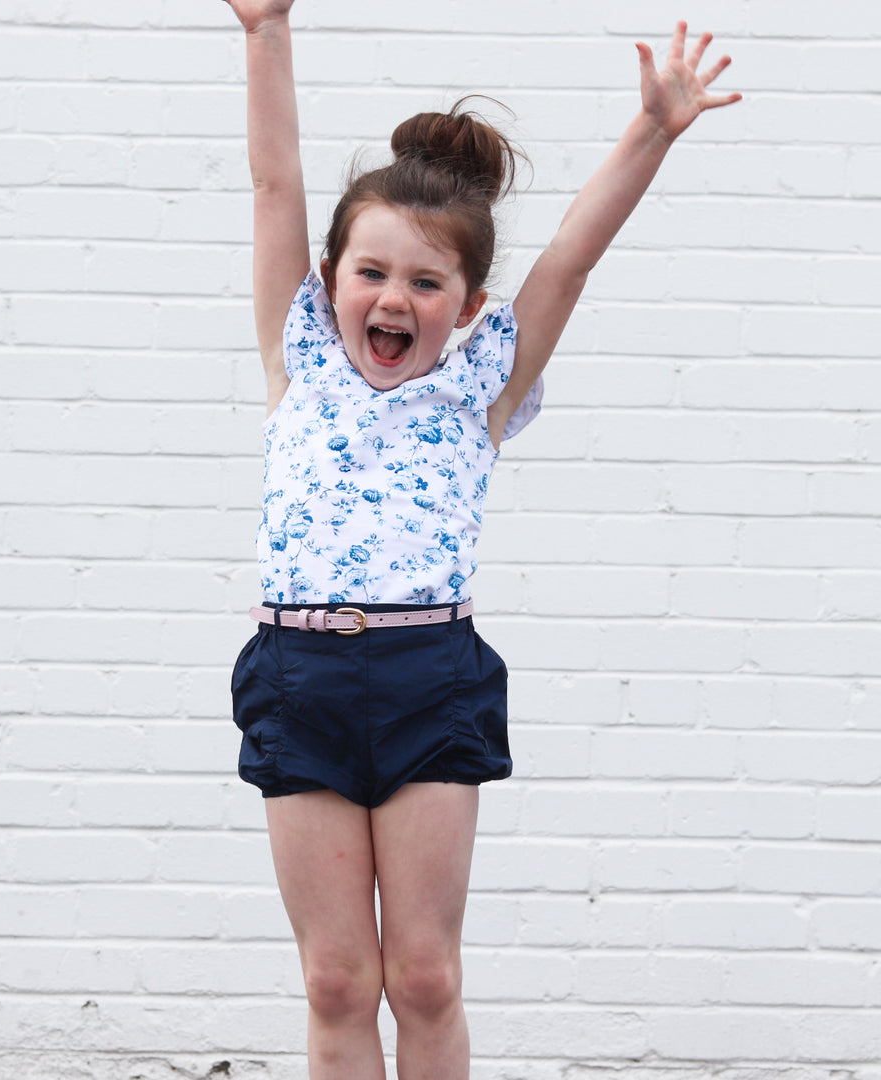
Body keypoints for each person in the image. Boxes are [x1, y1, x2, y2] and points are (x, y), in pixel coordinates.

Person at [222, 3, 741, 1077]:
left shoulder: (475, 394)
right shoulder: (302, 362)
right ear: (329, 285)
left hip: (427, 677)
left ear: (464, 307)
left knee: (423, 976)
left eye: (425, 281)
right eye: (371, 274)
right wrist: (266, 30)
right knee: (334, 979)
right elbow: (277, 187)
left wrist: (651, 130)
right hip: (301, 673)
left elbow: (568, 264)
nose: (394, 298)